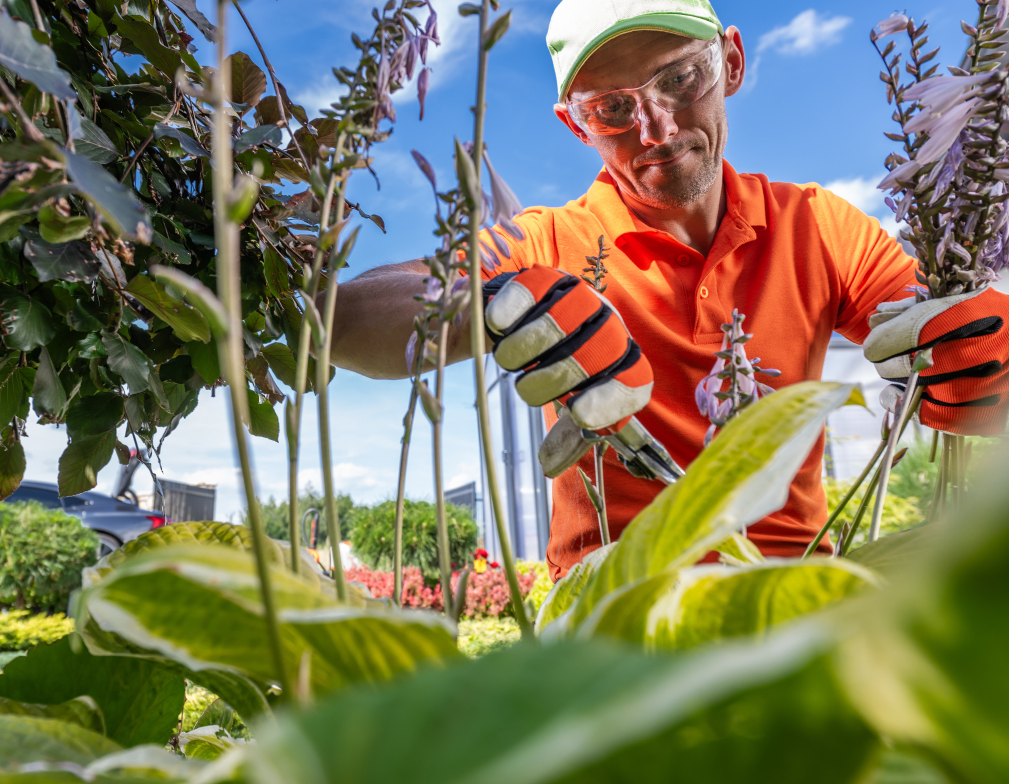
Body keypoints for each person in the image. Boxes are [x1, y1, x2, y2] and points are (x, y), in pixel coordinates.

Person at [328, 0, 1009, 580]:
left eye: (682, 78)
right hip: (611, 607)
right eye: (612, 107)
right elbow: (344, 324)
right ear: (576, 123)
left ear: (731, 64)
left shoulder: (818, 226)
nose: (657, 130)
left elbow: (943, 325)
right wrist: (492, 304)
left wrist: (984, 353)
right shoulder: (545, 242)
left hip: (791, 591)